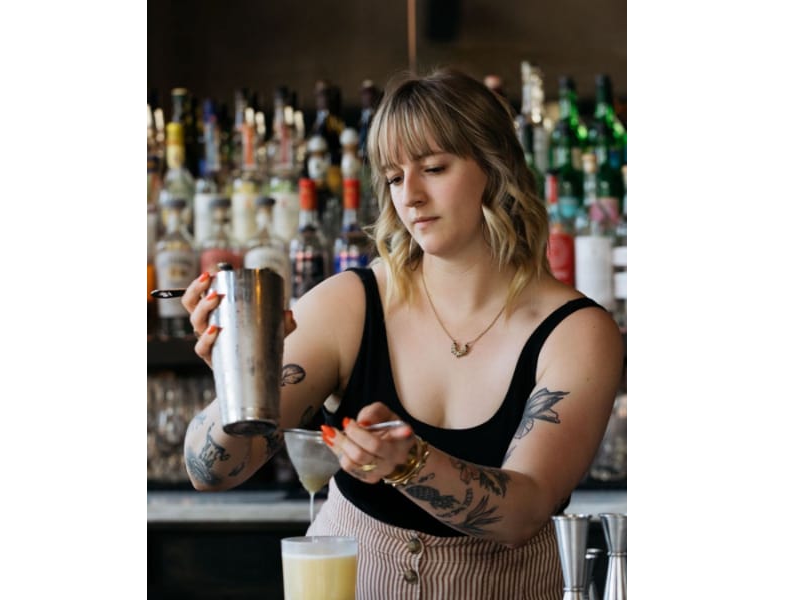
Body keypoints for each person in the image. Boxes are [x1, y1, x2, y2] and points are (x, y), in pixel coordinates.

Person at [181, 67, 624, 600]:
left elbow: (524, 509)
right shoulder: (350, 303)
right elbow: (212, 472)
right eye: (393, 177)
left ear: (495, 166)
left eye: (433, 168)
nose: (409, 196)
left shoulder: (575, 333)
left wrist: (409, 463)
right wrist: (240, 375)